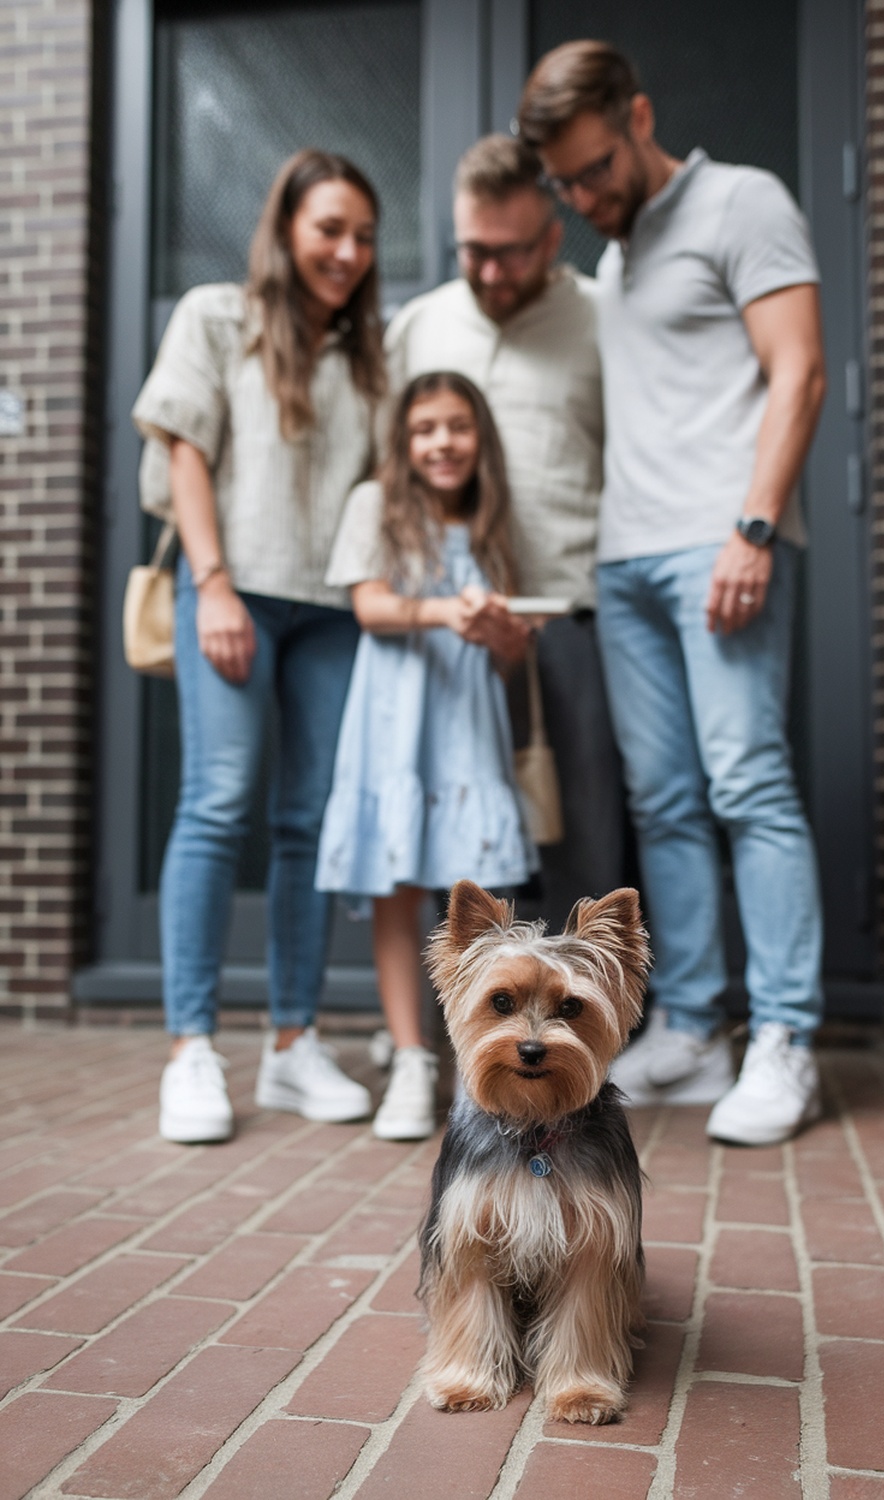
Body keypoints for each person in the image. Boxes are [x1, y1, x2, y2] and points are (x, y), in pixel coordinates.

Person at [518, 42, 828, 1146]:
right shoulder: (614, 261)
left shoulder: (743, 202)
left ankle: (785, 1036)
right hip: (627, 558)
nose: (587, 196)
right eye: (567, 184)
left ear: (639, 116)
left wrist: (753, 528)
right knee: (665, 806)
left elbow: (798, 369)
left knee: (747, 780)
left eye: (597, 169)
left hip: (719, 542)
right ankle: (695, 1029)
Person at [132, 150, 384, 1143]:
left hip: (330, 609)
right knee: (217, 801)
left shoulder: (371, 354)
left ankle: (292, 1046)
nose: (349, 252)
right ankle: (192, 1048)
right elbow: (184, 452)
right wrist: (213, 585)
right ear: (286, 228)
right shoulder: (214, 316)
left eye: (364, 235)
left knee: (306, 820)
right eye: (330, 229)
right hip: (231, 591)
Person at [384, 134, 625, 930]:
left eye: (511, 253)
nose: (489, 273)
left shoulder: (601, 316)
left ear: (553, 236)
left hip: (568, 617)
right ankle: (468, 1042)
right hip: (447, 630)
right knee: (462, 843)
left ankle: (591, 1043)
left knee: (584, 833)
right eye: (473, 251)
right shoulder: (418, 325)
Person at [315, 371, 535, 1140]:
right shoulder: (374, 504)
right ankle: (410, 1056)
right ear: (404, 443)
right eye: (425, 429)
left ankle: (477, 1058)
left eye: (457, 427)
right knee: (399, 884)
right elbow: (371, 606)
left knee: (476, 891)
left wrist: (503, 635)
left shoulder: (494, 520)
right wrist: (451, 611)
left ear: (481, 440)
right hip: (395, 716)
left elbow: (510, 655)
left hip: (467, 720)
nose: (442, 443)